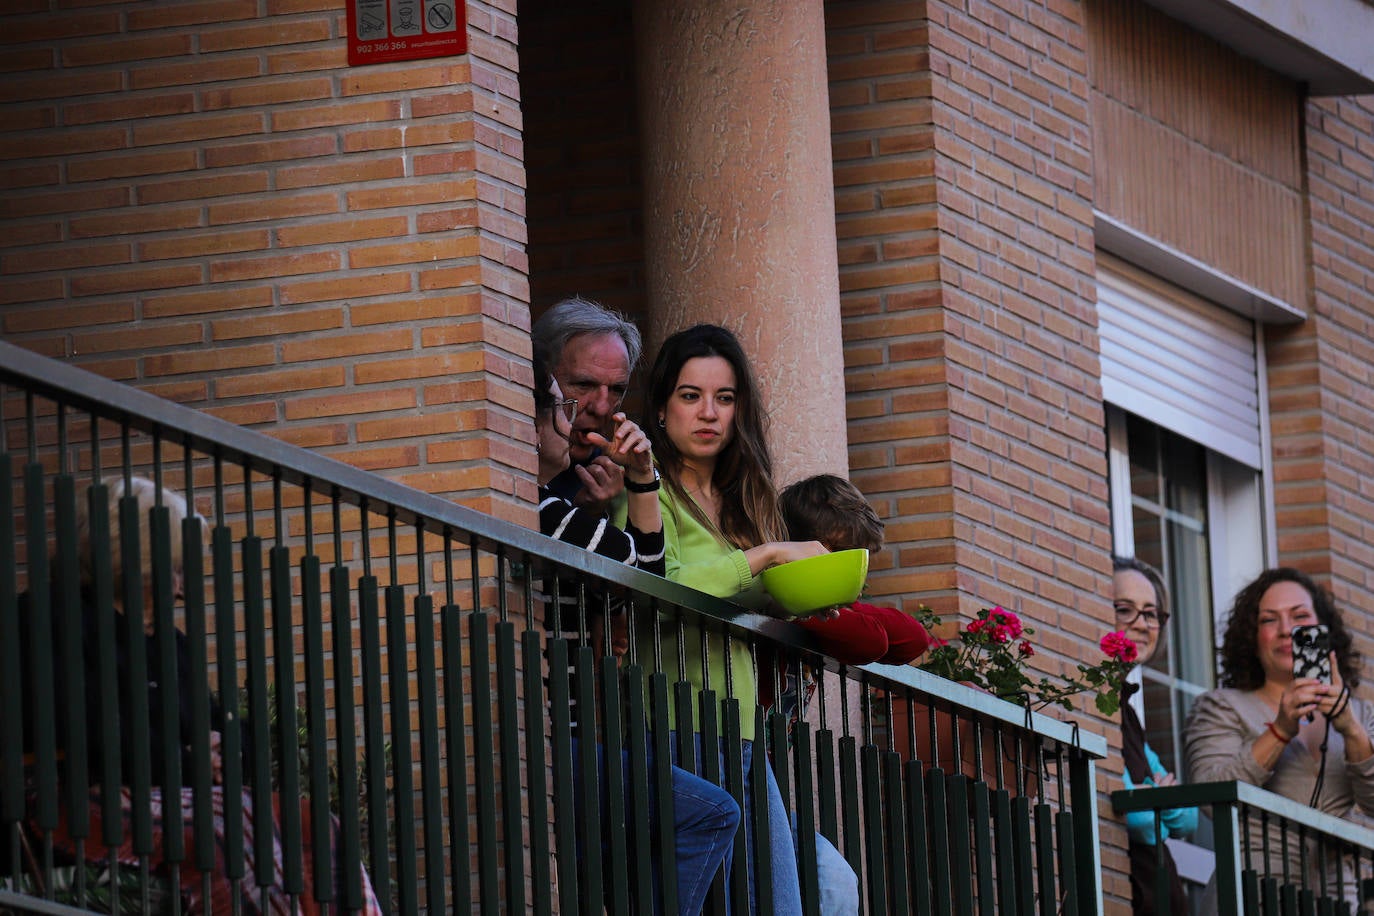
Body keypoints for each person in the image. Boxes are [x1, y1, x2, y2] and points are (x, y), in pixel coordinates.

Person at [21, 477, 382, 915]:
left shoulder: (169, 645)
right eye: (173, 567)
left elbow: (224, 726)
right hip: (72, 798)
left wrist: (221, 749)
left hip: (170, 791)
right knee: (223, 833)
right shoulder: (49, 619)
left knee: (312, 823)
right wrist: (186, 758)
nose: (181, 587)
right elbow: (89, 731)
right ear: (128, 560)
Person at [642, 323, 857, 915]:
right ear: (661, 407)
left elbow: (753, 597)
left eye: (725, 397)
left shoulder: (747, 502)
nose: (708, 412)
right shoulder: (644, 492)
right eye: (691, 396)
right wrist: (764, 557)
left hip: (740, 732)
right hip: (668, 723)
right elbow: (665, 587)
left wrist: (810, 595)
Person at [534, 346, 740, 914]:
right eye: (568, 396)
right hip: (557, 741)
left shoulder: (560, 505)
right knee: (712, 812)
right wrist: (640, 485)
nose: (584, 414)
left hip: (587, 735)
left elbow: (635, 582)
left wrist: (633, 486)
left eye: (617, 391)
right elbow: (648, 579)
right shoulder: (544, 508)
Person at [1184, 567, 1374, 913]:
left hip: (1335, 902)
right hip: (1252, 896)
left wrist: (1352, 730)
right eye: (1270, 620)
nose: (1287, 630)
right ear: (1252, 638)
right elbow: (1211, 795)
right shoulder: (1222, 706)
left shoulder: (1360, 714)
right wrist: (1281, 729)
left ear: (1325, 632)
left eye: (1300, 616)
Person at [1111, 556, 1196, 915]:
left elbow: (1189, 818)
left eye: (1150, 613)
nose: (1142, 624)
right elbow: (1141, 820)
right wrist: (1160, 798)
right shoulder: (1095, 700)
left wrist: (1157, 799)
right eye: (1125, 609)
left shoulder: (1125, 708)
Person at [778, 474, 932, 668]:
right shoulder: (784, 602)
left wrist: (845, 600)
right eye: (841, 552)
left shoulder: (828, 609)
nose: (849, 567)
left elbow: (913, 639)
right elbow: (869, 641)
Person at [532, 295, 643, 510]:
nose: (602, 408)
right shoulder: (505, 466)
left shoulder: (623, 473)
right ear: (542, 380)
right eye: (584, 384)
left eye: (616, 390)